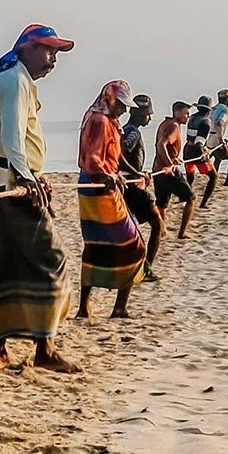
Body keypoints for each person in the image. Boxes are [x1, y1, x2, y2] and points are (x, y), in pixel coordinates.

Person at [0, 23, 77, 371]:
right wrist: (27, 177)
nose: (53, 59)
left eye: (56, 53)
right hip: (7, 185)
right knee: (50, 259)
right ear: (27, 49)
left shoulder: (14, 80)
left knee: (3, 264)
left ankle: (1, 350)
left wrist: (31, 173)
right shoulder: (14, 81)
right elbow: (13, 137)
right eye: (48, 50)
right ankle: (43, 348)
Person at [72, 80, 146, 318]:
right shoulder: (100, 121)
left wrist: (134, 174)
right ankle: (119, 308)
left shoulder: (107, 120)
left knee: (95, 247)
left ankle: (85, 308)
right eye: (121, 105)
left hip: (93, 184)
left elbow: (115, 155)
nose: (124, 110)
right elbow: (94, 159)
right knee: (133, 245)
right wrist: (109, 176)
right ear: (110, 99)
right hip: (98, 187)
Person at [117, 93, 164, 281]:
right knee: (157, 224)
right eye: (148, 114)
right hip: (131, 186)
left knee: (133, 226)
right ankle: (146, 269)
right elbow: (120, 153)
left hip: (128, 184)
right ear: (139, 114)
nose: (150, 118)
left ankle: (140, 266)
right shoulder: (133, 132)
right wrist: (136, 174)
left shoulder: (126, 129)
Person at [153, 100, 199, 240]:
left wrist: (173, 158)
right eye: (186, 113)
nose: (188, 116)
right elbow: (161, 145)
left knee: (161, 202)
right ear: (176, 112)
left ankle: (162, 230)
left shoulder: (164, 124)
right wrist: (170, 164)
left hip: (158, 169)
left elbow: (164, 147)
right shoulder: (173, 126)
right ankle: (182, 232)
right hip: (167, 171)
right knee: (191, 198)